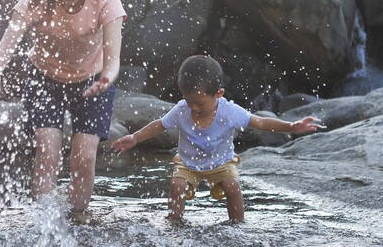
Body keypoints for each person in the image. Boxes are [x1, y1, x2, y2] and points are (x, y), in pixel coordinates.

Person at [0, 0, 126, 222]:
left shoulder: (106, 0)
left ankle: (78, 214)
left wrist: (107, 78)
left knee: (84, 156)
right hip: (44, 79)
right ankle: (43, 218)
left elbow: (113, 57)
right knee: (48, 150)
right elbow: (6, 44)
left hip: (94, 81)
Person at [111, 55, 323, 223]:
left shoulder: (230, 111)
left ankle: (237, 224)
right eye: (188, 100)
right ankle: (174, 220)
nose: (193, 108)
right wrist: (135, 137)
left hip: (221, 162)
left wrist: (292, 126)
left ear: (219, 94)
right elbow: (160, 125)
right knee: (176, 186)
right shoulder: (182, 109)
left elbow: (259, 122)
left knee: (232, 187)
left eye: (200, 103)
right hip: (188, 162)